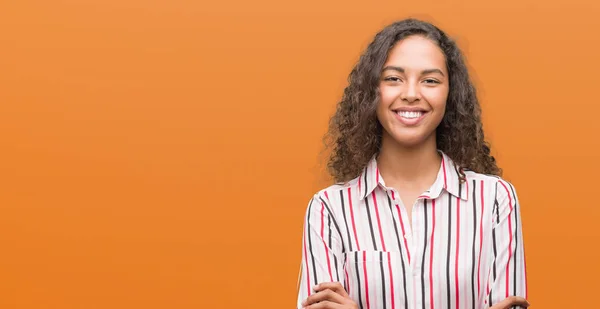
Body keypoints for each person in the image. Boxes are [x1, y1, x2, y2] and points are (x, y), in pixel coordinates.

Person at [296, 18, 529, 309]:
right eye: (393, 78)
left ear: (450, 94)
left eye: (430, 80)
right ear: (372, 90)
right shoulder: (329, 210)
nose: (410, 93)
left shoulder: (495, 200)